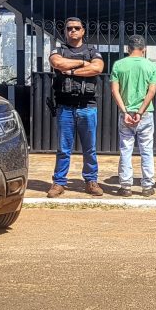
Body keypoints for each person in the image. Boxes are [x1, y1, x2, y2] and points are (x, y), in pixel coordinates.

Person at [47, 17, 105, 198]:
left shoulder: (92, 50)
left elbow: (97, 68)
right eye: (69, 28)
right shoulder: (58, 50)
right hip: (65, 107)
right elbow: (58, 63)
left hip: (87, 107)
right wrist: (83, 63)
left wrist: (71, 71)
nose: (73, 30)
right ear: (65, 31)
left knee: (90, 148)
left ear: (83, 31)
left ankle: (91, 181)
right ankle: (59, 182)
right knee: (63, 149)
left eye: (77, 28)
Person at [110, 35, 156, 197]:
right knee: (147, 150)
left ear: (128, 49)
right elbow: (152, 91)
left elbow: (114, 91)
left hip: (126, 113)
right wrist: (140, 111)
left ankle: (125, 186)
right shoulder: (151, 66)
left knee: (126, 149)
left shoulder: (119, 65)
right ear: (144, 49)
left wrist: (125, 111)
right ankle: (147, 186)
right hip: (145, 114)